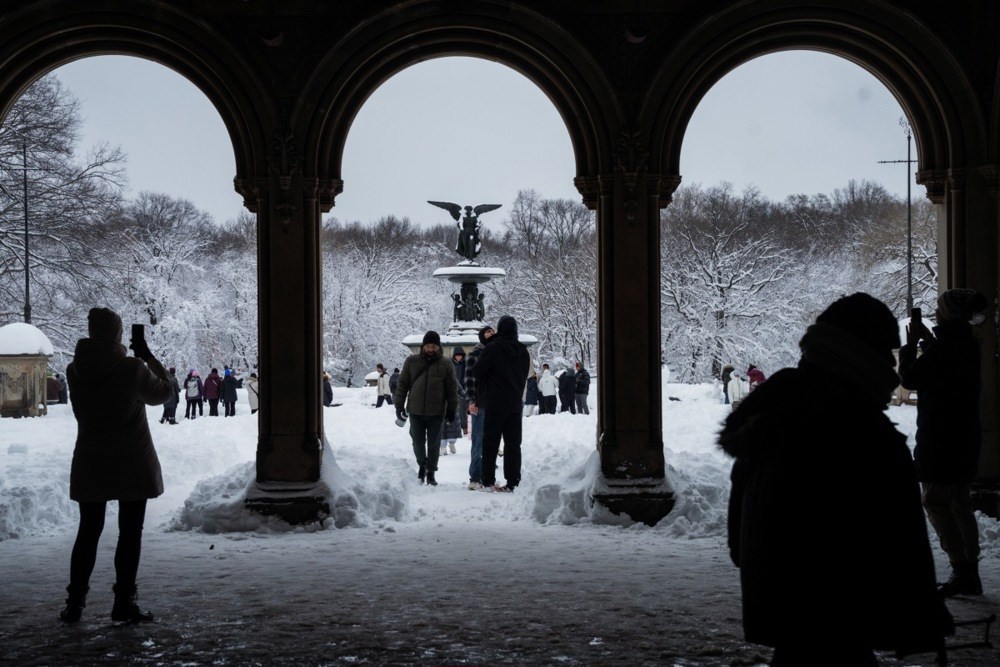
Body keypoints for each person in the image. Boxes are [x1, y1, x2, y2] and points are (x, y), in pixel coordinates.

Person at [719, 293, 953, 664]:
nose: (890, 367)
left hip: (792, 608)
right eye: (883, 352)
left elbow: (742, 498)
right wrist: (919, 612)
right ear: (861, 356)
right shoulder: (858, 428)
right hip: (841, 610)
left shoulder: (779, 405)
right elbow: (897, 534)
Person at [59, 307, 174, 624]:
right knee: (130, 533)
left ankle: (75, 603)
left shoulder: (73, 370)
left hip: (91, 459)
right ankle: (124, 602)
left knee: (88, 532)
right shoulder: (133, 368)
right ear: (118, 334)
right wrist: (149, 357)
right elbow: (164, 393)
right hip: (130, 460)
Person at [899, 288, 988, 597]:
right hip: (965, 437)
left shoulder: (943, 350)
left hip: (940, 439)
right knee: (960, 501)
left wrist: (911, 346)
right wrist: (929, 341)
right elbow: (946, 361)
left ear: (945, 314)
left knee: (935, 500)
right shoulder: (968, 345)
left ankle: (960, 568)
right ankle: (971, 572)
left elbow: (910, 378)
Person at [469, 315, 530, 492]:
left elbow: (477, 371)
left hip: (495, 402)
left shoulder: (493, 347)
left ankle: (488, 481)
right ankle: (512, 482)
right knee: (513, 444)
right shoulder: (522, 350)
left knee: (491, 442)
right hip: (514, 404)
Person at [394, 331, 458, 486]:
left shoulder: (446, 363)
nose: (431, 349)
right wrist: (399, 405)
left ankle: (431, 471)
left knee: (434, 444)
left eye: (434, 346)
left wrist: (451, 410)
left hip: (436, 412)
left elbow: (452, 389)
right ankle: (422, 464)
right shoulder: (411, 361)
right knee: (417, 442)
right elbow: (402, 384)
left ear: (438, 346)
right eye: (428, 346)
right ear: (423, 346)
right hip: (415, 410)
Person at [464, 326, 495, 489]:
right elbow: (469, 379)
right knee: (478, 441)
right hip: (480, 403)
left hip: (496, 404)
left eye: (493, 331)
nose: (491, 333)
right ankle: (475, 477)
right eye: (488, 331)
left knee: (492, 442)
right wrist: (471, 401)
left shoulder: (498, 353)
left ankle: (488, 476)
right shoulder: (476, 354)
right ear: (482, 335)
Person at [451, 348, 469, 435]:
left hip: (462, 388)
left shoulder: (466, 363)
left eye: (460, 355)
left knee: (462, 409)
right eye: (457, 355)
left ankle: (464, 427)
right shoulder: (450, 364)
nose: (458, 357)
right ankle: (453, 428)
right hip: (452, 389)